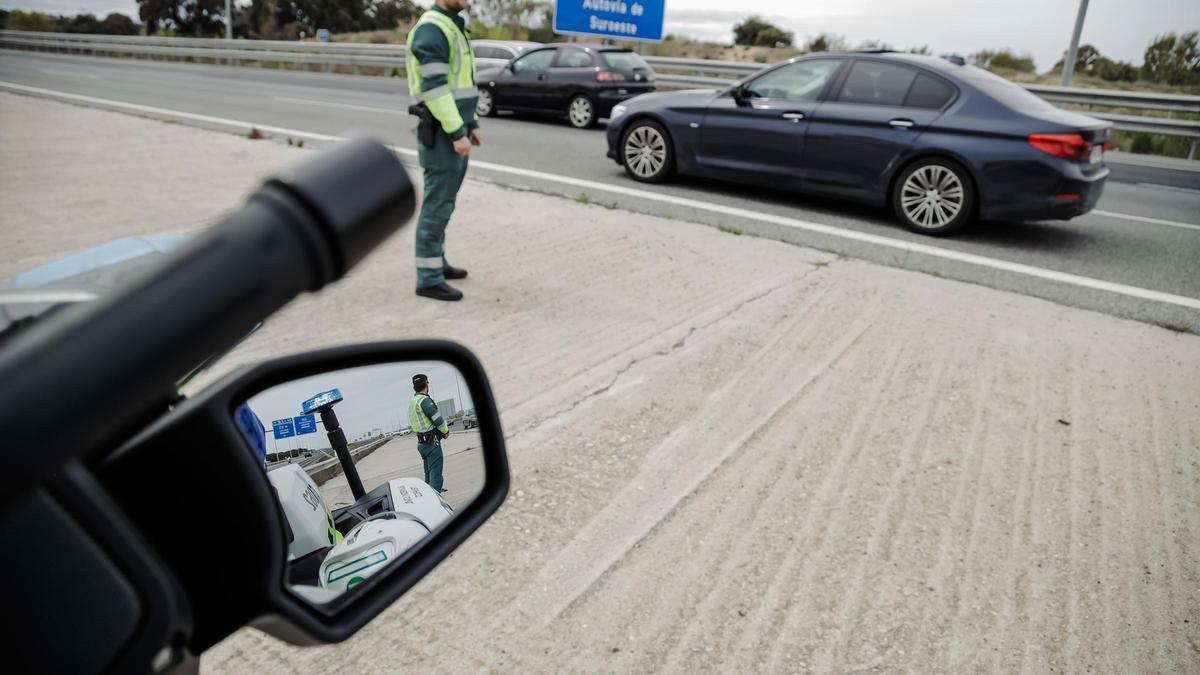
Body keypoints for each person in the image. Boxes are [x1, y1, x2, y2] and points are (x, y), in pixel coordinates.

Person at [406, 0, 481, 302]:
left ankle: (438, 262)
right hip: (441, 134)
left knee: (446, 202)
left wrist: (471, 124)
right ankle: (428, 278)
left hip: (453, 130)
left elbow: (462, 83)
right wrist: (457, 132)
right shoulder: (433, 30)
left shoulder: (453, 27)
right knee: (437, 204)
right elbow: (435, 89)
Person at [408, 373, 450, 492]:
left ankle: (427, 496)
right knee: (435, 477)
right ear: (426, 384)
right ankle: (435, 502)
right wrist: (446, 431)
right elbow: (437, 419)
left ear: (414, 387)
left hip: (422, 445)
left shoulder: (413, 402)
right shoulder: (425, 400)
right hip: (432, 444)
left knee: (428, 475)